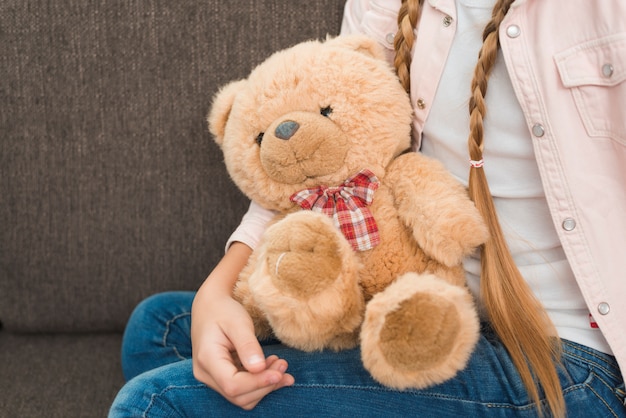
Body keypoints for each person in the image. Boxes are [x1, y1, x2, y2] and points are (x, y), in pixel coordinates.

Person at [109, 0, 626, 416]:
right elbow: (321, 164)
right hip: (419, 301)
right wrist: (217, 290)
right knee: (157, 328)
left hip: (566, 357)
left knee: (153, 403)